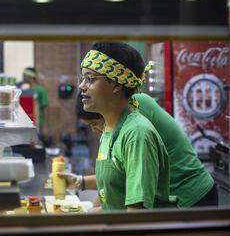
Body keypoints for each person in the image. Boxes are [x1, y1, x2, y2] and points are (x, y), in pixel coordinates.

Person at [67, 91, 218, 208]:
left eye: (94, 123)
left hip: (190, 195)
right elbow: (116, 176)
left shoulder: (134, 113)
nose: (94, 130)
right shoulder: (111, 125)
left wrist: (95, 211)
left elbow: (128, 177)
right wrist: (81, 183)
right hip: (165, 198)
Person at [72, 42, 172, 211]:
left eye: (90, 79)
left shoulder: (137, 134)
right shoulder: (109, 129)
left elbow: (136, 215)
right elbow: (113, 198)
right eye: (82, 78)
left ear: (117, 84)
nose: (82, 86)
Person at [23, 67, 49, 135]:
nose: (23, 77)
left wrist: (45, 126)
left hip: (38, 123)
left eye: (24, 75)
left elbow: (45, 109)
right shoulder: (26, 91)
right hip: (28, 123)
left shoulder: (41, 90)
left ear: (29, 76)